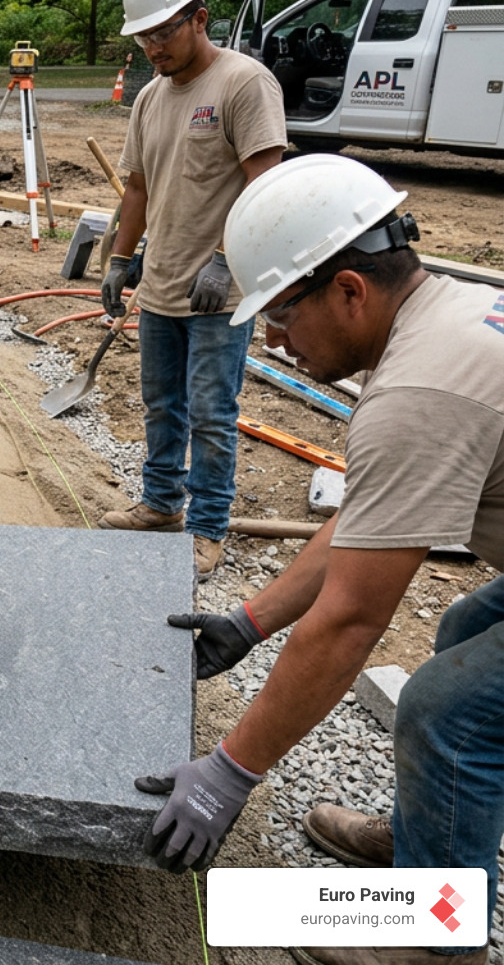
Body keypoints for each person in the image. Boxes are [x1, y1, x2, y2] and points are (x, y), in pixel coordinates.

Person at [138, 154, 503, 964]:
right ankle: (431, 845)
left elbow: (351, 620)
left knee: (447, 710)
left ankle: (438, 942)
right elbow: (366, 523)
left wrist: (231, 772)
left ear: (348, 290)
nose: (272, 340)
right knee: (466, 630)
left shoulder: (418, 396)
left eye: (280, 313)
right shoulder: (444, 313)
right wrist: (249, 621)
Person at [98, 0, 287, 578]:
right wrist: (120, 259)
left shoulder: (243, 84)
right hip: (162, 286)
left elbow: (266, 187)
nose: (153, 47)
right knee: (162, 405)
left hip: (217, 294)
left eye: (164, 31)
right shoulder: (150, 98)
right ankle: (160, 504)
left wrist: (227, 261)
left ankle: (207, 526)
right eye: (143, 36)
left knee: (212, 415)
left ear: (200, 18)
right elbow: (137, 188)